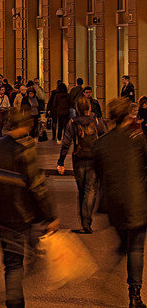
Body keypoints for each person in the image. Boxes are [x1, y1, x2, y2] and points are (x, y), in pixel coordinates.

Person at [0, 107, 58, 308]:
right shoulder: (25, 151)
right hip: (21, 215)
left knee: (11, 262)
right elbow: (37, 186)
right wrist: (49, 216)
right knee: (17, 264)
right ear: (25, 126)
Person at [93, 97, 147, 308]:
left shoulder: (101, 144)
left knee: (125, 243)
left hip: (113, 203)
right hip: (137, 201)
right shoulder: (137, 139)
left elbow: (99, 174)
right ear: (127, 116)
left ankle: (115, 260)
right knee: (136, 248)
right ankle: (134, 294)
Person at [57, 96, 106, 233]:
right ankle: (87, 220)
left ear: (77, 108)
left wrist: (61, 162)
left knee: (82, 190)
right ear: (89, 107)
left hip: (78, 160)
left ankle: (84, 218)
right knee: (91, 190)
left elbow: (66, 143)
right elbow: (105, 139)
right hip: (94, 160)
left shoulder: (72, 122)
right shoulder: (97, 121)